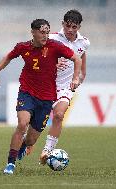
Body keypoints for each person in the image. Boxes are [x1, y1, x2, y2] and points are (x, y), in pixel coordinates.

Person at [0, 18, 82, 175]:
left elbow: (77, 58)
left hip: (46, 99)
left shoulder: (55, 46)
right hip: (27, 93)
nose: (45, 35)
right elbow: (9, 57)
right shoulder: (23, 47)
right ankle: (10, 163)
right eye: (42, 32)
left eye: (47, 32)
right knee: (22, 124)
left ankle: (24, 145)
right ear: (33, 32)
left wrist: (75, 77)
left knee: (31, 139)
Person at [38, 10, 90, 164]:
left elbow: (82, 61)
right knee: (34, 123)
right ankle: (27, 143)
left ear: (79, 27)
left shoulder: (84, 42)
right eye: (68, 26)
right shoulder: (52, 38)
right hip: (46, 85)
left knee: (59, 115)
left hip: (65, 87)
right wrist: (52, 63)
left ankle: (47, 151)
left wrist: (80, 78)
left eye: (74, 27)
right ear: (62, 24)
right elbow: (37, 58)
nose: (70, 30)